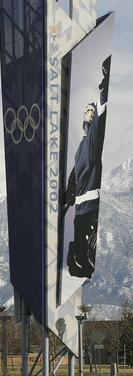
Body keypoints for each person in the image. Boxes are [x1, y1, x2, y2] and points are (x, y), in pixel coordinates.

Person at [64, 56, 110, 279]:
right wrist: (68, 194)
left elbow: (101, 116)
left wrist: (104, 89)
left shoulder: (91, 140)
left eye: (89, 113)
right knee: (80, 258)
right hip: (81, 210)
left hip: (90, 207)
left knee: (85, 256)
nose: (87, 116)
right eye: (86, 112)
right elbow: (75, 175)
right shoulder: (82, 146)